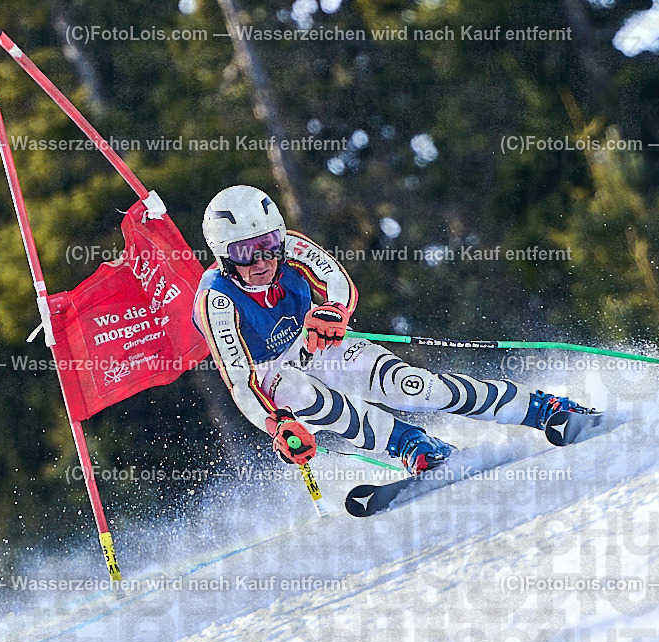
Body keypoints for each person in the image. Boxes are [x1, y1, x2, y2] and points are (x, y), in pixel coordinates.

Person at [192, 185, 595, 474]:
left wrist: (333, 312)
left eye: (268, 244)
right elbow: (241, 382)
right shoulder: (218, 300)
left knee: (414, 387)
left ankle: (542, 408)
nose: (262, 260)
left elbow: (336, 281)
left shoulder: (291, 247)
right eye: (245, 252)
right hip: (268, 371)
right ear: (223, 256)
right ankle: (410, 444)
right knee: (304, 396)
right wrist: (278, 425)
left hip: (311, 337)